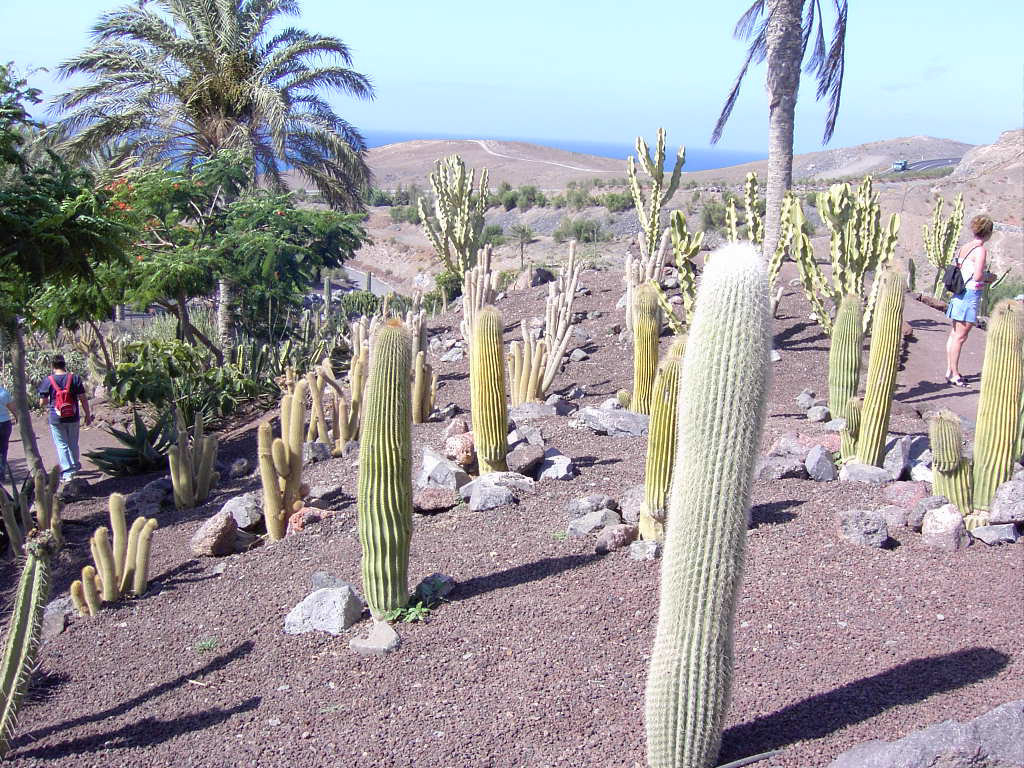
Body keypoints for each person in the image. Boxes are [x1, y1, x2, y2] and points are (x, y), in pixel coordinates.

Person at [944, 214, 995, 387]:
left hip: (959, 293)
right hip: (970, 295)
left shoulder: (964, 247)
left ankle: (950, 370)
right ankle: (955, 374)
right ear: (988, 233)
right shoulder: (980, 250)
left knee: (954, 334)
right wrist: (990, 277)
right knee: (960, 337)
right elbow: (979, 275)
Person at [37, 355, 92, 483]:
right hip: (73, 416)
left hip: (56, 418)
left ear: (53, 366)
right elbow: (83, 398)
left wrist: (49, 402)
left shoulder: (48, 380)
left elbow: (42, 402)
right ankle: (75, 466)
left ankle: (67, 472)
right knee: (73, 442)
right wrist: (87, 414)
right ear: (64, 364)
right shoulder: (74, 378)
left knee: (61, 445)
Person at [0, 384, 16, 476]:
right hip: (4, 423)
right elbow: (12, 408)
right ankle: (1, 474)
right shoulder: (4, 393)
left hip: (4, 423)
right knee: (3, 449)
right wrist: (17, 417)